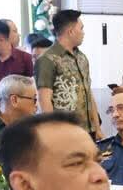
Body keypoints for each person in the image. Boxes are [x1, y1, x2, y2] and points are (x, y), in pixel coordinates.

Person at [34, 9, 101, 138]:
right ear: (71, 32)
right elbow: (44, 100)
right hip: (65, 133)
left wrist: (97, 128)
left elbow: (88, 93)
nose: (83, 33)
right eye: (81, 28)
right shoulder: (47, 59)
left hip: (88, 131)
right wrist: (54, 133)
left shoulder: (81, 57)